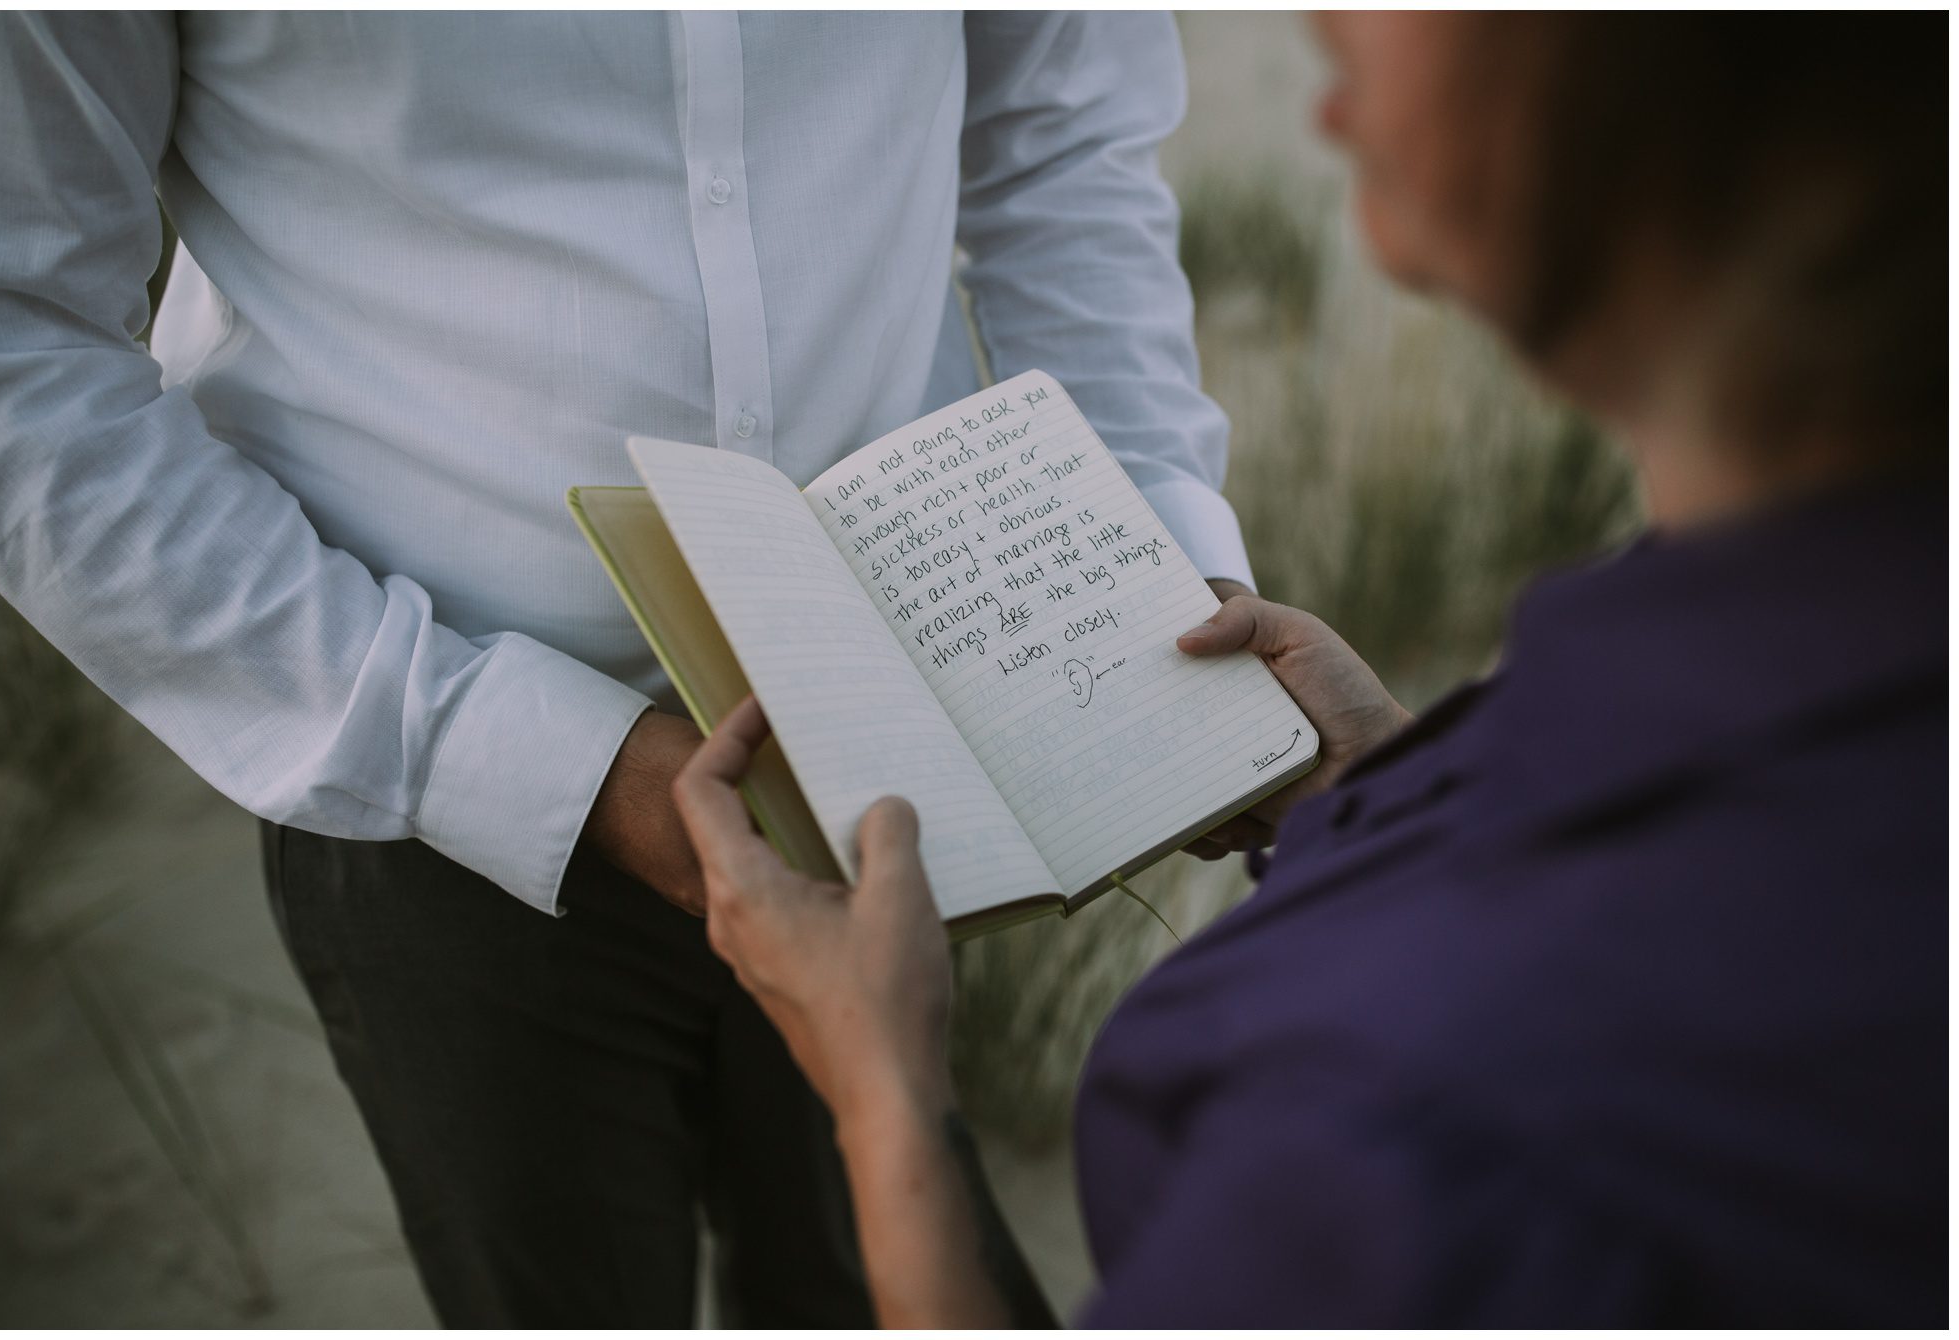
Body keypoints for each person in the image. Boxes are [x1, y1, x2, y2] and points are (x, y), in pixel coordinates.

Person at [0, 13, 1257, 1327]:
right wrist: (516, 758)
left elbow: (1064, 137)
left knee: (866, 1273)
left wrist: (1148, 558)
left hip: (894, 738)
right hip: (422, 781)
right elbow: (5, 341)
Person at [672, 12, 1946, 1327]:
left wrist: (884, 1095)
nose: (1323, 21)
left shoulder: (1438, 1136)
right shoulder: (1819, 654)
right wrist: (1389, 786)